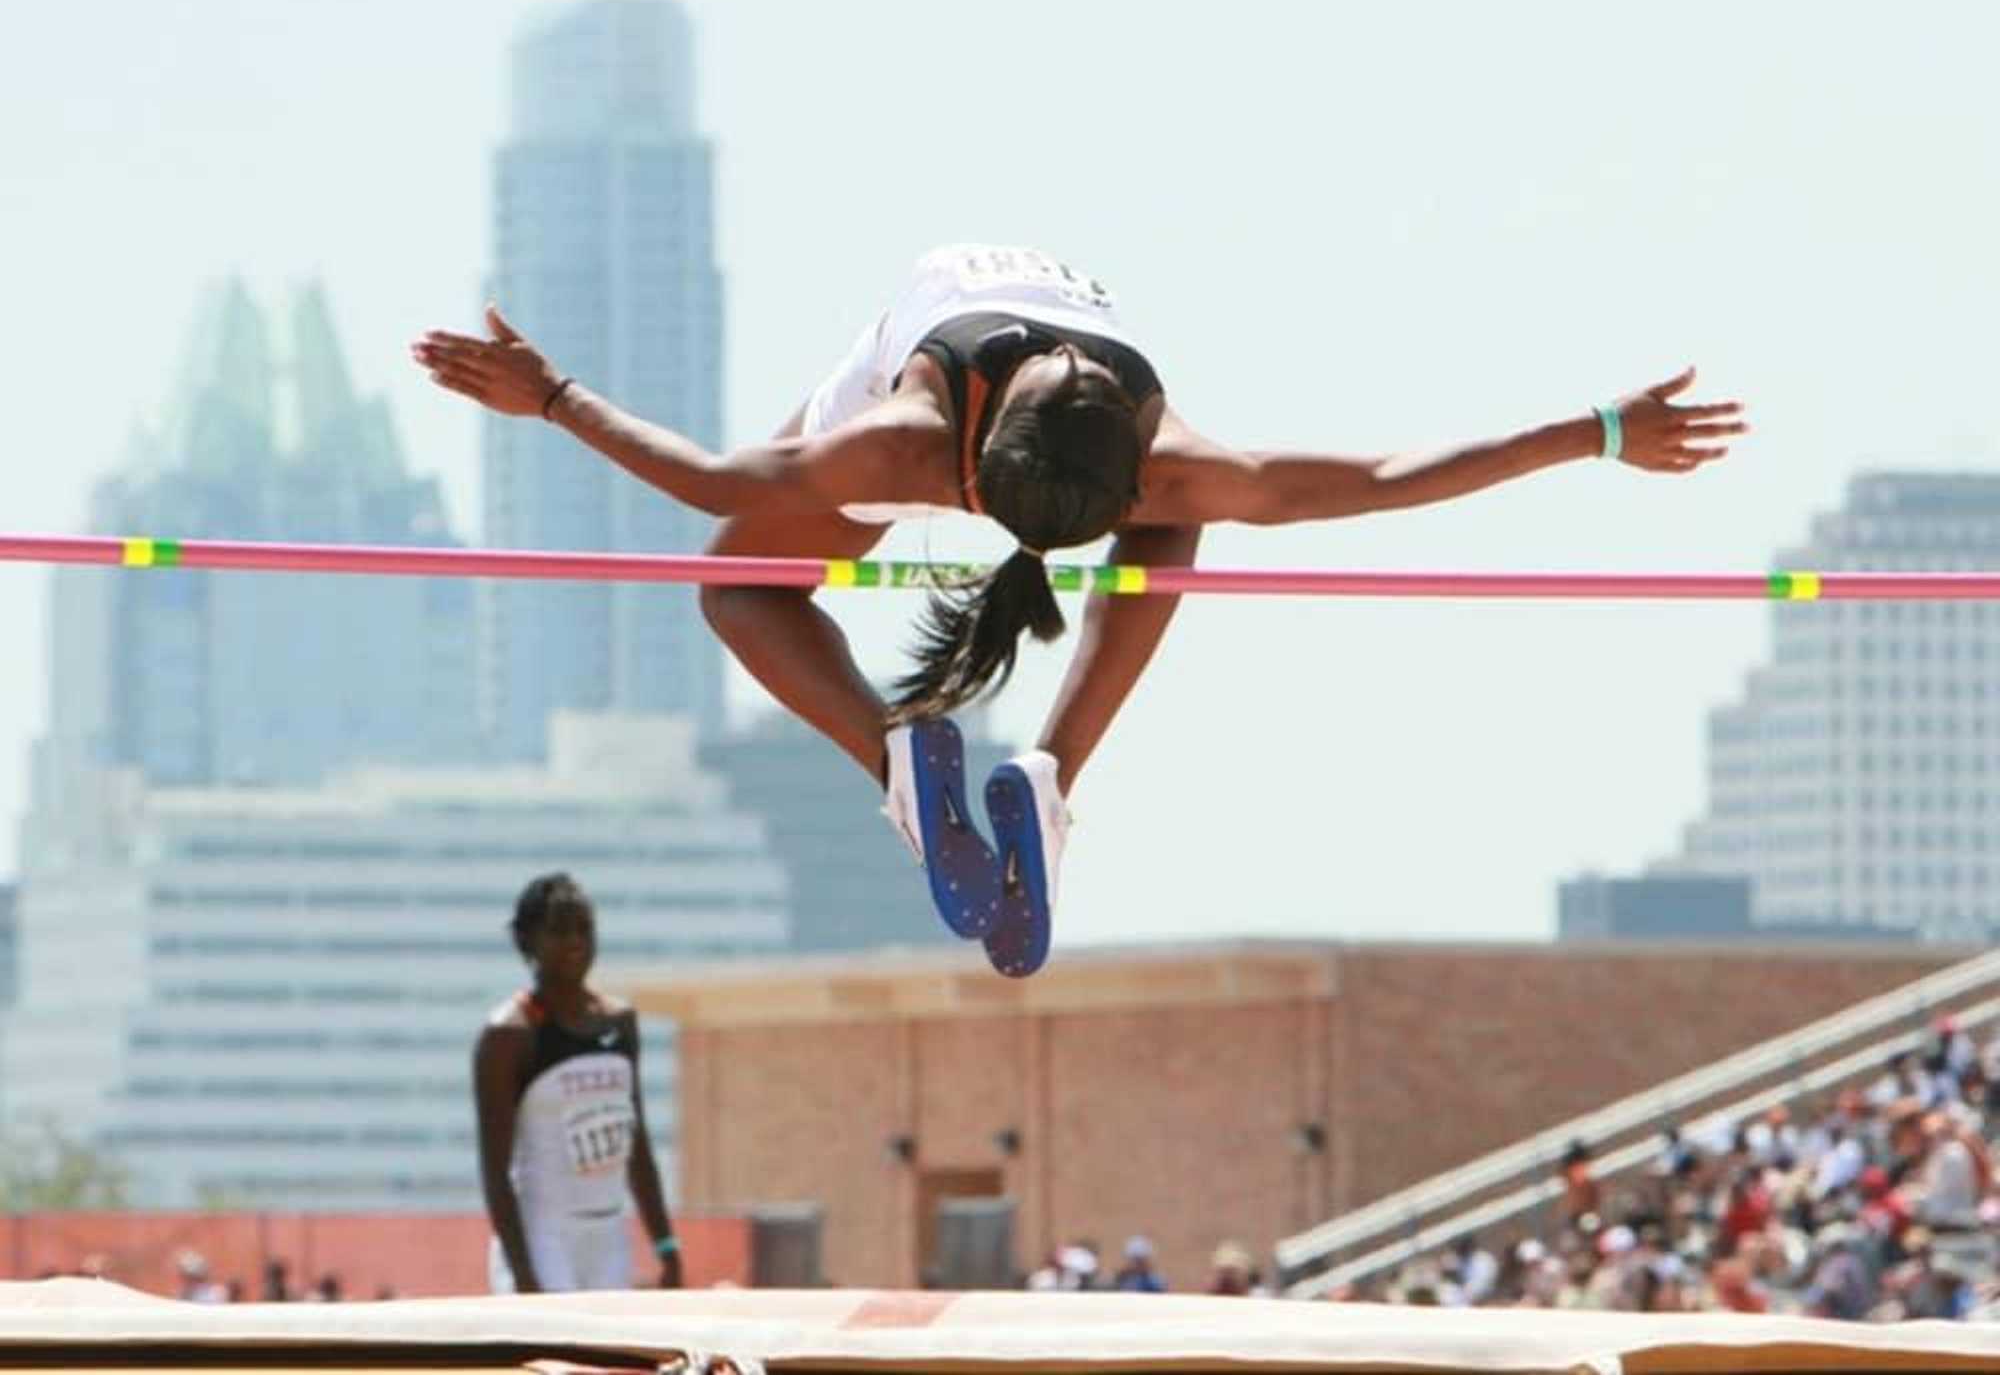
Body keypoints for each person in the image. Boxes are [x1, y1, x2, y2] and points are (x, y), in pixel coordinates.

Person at [416, 244, 1744, 977]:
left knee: (735, 585)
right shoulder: (959, 436)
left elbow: (707, 478)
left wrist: (551, 396)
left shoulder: (991, 447)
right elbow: (1386, 480)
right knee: (1190, 525)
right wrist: (1597, 432)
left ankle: (899, 758)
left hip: (1010, 435)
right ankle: (1046, 771)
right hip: (988, 402)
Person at [474, 872, 682, 1293]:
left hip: (607, 1235)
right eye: (559, 930)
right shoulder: (508, 1035)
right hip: (544, 1236)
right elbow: (495, 1173)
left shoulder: (619, 1021)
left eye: (585, 929)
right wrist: (523, 1275)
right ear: (529, 941)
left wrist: (665, 1244)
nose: (575, 942)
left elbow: (635, 1144)